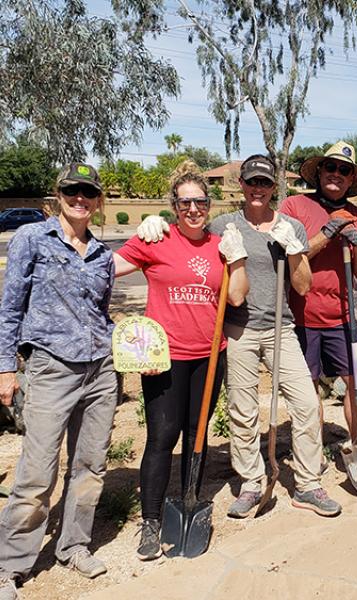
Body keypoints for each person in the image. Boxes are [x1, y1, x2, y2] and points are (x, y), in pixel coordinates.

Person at [135, 156, 342, 518]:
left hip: (281, 328)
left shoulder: (290, 224)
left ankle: (308, 484)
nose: (257, 189)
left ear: (273, 187)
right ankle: (250, 483)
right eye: (251, 182)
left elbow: (304, 285)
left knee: (307, 405)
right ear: (242, 186)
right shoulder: (223, 224)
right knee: (242, 410)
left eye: (264, 183)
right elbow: (188, 234)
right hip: (238, 329)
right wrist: (157, 223)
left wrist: (293, 250)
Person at [113, 163, 249, 561]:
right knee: (162, 436)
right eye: (185, 202)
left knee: (198, 432)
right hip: (164, 358)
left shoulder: (218, 245)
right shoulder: (155, 240)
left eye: (200, 202)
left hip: (209, 355)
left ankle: (190, 500)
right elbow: (108, 270)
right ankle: (152, 520)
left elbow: (237, 297)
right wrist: (140, 229)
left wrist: (236, 258)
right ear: (174, 205)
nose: (193, 209)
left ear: (209, 205)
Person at [0, 164, 118, 598]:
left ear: (97, 199)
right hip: (50, 368)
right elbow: (10, 307)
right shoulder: (32, 238)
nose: (80, 198)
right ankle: (9, 563)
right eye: (73, 190)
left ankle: (74, 544)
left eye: (88, 191)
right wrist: (5, 368)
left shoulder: (102, 254)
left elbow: (101, 313)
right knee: (36, 471)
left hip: (100, 370)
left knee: (90, 466)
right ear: (59, 194)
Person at [280, 142, 357, 449]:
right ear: (320, 172)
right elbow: (288, 252)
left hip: (342, 317)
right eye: (331, 167)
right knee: (307, 391)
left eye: (344, 170)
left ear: (351, 179)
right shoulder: (294, 207)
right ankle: (312, 457)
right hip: (302, 316)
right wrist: (326, 234)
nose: (336, 174)